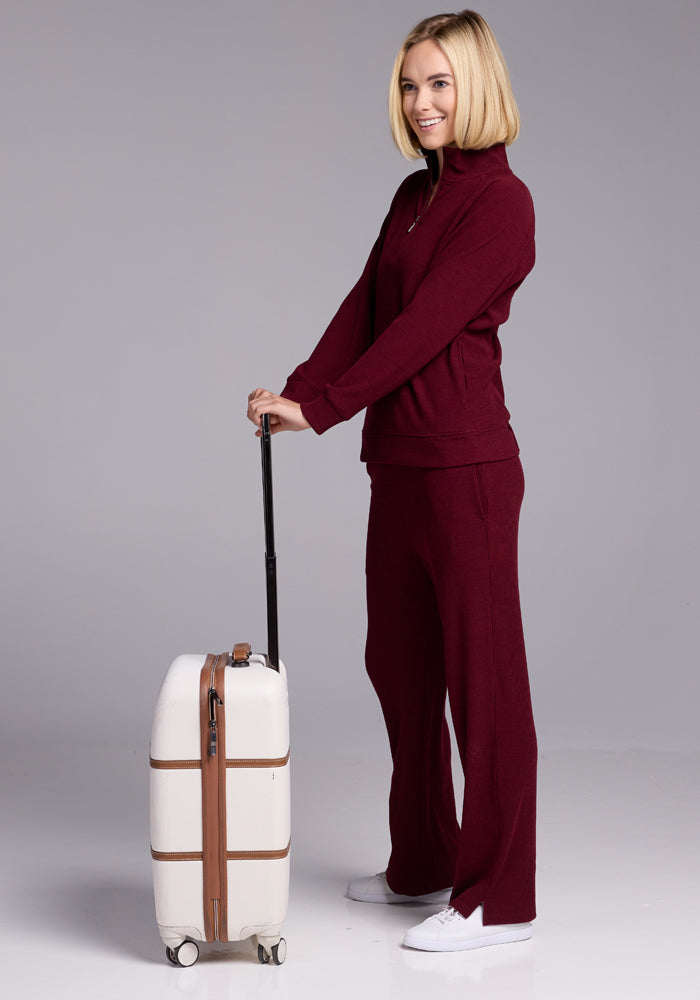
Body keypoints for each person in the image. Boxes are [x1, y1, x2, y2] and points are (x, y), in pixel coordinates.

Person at [247, 10, 538, 953]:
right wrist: (296, 390)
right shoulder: (412, 198)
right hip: (400, 466)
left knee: (482, 685)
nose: (422, 103)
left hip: (468, 469)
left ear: (479, 87)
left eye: (440, 84)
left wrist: (324, 409)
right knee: (402, 672)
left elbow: (419, 334)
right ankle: (423, 863)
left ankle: (498, 899)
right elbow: (364, 308)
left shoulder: (502, 203)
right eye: (411, 86)